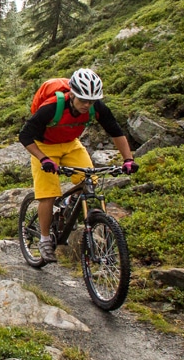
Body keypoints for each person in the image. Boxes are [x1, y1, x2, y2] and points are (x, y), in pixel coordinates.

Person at [19, 68, 138, 263]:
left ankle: (68, 206)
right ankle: (45, 239)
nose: (86, 105)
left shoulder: (96, 107)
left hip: (71, 144)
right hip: (45, 146)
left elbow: (115, 131)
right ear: (72, 94)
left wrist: (128, 160)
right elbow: (24, 136)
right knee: (47, 194)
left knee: (89, 179)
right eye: (82, 100)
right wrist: (43, 159)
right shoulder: (51, 107)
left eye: (91, 101)